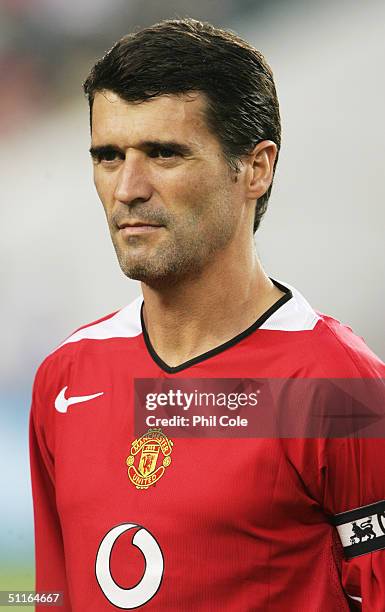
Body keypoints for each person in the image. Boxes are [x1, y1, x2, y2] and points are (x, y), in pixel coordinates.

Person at [29, 17, 385, 611]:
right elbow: (49, 594)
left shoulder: (337, 389)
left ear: (255, 168)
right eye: (109, 156)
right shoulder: (67, 377)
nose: (128, 188)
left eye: (164, 153)